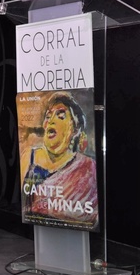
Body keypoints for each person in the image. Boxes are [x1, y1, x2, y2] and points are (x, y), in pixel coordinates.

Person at [20, 91, 98, 229]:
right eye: (48, 116)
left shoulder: (88, 168)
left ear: (75, 129)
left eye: (61, 116)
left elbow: (92, 218)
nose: (51, 120)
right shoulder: (29, 158)